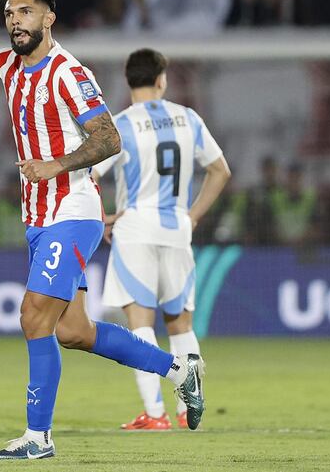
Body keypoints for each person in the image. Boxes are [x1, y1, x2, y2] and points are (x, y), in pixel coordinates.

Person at [0, 0, 205, 460]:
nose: (16, 19)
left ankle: (38, 437)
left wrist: (56, 165)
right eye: (10, 12)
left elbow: (107, 138)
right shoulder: (10, 66)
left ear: (48, 19)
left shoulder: (67, 73)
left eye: (27, 11)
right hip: (38, 218)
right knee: (74, 332)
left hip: (72, 211)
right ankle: (179, 371)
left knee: (33, 315)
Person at [93, 49, 231, 431]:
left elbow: (90, 175)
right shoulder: (188, 119)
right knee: (181, 325)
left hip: (135, 229)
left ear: (128, 80)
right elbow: (220, 171)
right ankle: (190, 408)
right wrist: (194, 215)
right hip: (177, 230)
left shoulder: (119, 125)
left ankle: (155, 414)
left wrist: (104, 216)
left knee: (140, 324)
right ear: (161, 79)